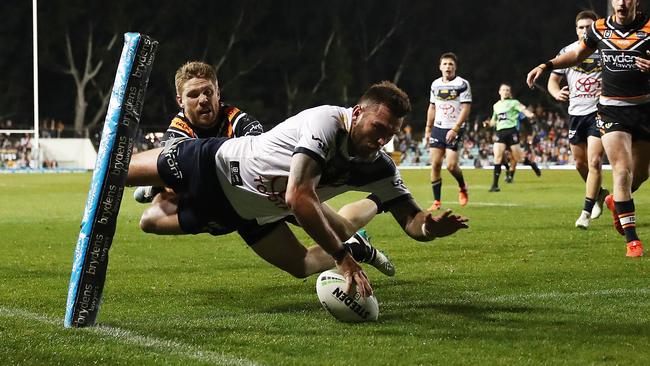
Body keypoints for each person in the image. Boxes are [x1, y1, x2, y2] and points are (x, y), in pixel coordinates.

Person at [126, 81, 469, 297]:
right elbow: (298, 196)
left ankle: (361, 238)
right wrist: (342, 259)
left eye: (389, 133)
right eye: (377, 127)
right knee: (121, 175)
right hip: (213, 165)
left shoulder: (380, 164)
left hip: (247, 214)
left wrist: (429, 227)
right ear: (356, 112)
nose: (381, 139)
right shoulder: (327, 122)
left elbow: (413, 222)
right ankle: (156, 187)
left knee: (302, 265)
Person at [133, 61, 393, 275]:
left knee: (342, 229)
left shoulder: (239, 120)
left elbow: (257, 162)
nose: (203, 100)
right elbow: (181, 179)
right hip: (230, 204)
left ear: (218, 92)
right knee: (150, 220)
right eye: (193, 95)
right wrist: (161, 187)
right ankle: (354, 250)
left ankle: (380, 201)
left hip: (274, 190)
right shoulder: (176, 136)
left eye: (208, 92)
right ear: (180, 101)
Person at [527, 0, 650, 257]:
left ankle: (614, 202)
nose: (622, 3)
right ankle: (632, 241)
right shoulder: (599, 28)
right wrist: (546, 65)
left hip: (644, 110)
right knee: (621, 171)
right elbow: (576, 55)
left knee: (641, 174)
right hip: (610, 110)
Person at [547, 10, 609, 229]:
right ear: (576, 29)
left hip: (599, 112)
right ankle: (599, 194)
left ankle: (585, 211)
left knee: (594, 162)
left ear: (595, 28)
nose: (585, 30)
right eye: (581, 27)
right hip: (576, 113)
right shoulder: (568, 51)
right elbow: (553, 80)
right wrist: (556, 93)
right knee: (580, 163)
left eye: (588, 27)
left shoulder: (605, 48)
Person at [423, 52, 471, 211]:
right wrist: (428, 129)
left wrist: (455, 128)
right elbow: (432, 107)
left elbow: (466, 108)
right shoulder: (435, 84)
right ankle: (437, 201)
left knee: (451, 165)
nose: (447, 67)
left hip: (455, 128)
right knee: (435, 164)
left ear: (455, 67)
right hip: (438, 128)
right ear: (440, 67)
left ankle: (463, 186)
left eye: (450, 64)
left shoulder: (462, 84)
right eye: (445, 64)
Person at [483, 83, 538, 192]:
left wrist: (530, 114)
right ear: (499, 92)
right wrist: (488, 124)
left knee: (518, 159)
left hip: (512, 131)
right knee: (498, 157)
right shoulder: (496, 105)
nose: (506, 92)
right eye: (504, 90)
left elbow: (523, 109)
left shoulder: (514, 103)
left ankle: (532, 164)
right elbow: (494, 120)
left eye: (508, 90)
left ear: (510, 92)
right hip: (500, 133)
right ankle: (495, 185)